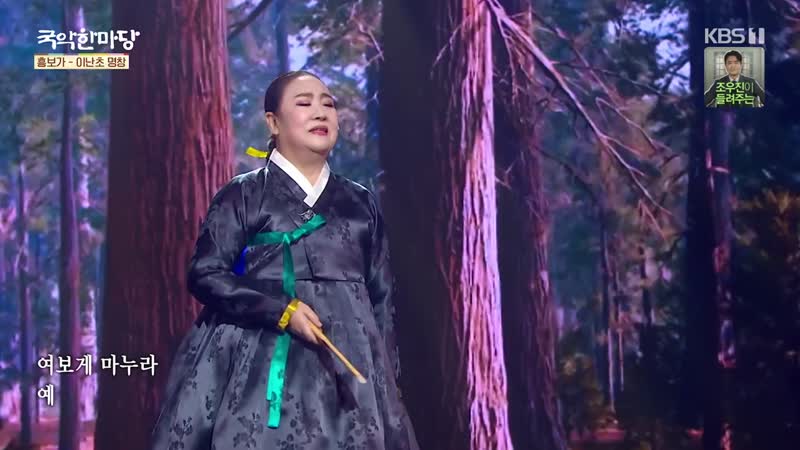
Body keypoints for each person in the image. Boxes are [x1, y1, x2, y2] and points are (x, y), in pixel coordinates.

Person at [150, 70, 419, 450]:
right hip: (262, 362)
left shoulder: (360, 202)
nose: (321, 113)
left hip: (351, 369)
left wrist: (387, 379)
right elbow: (206, 273)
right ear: (273, 122)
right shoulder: (244, 194)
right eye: (304, 103)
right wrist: (280, 309)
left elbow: (382, 295)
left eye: (328, 105)